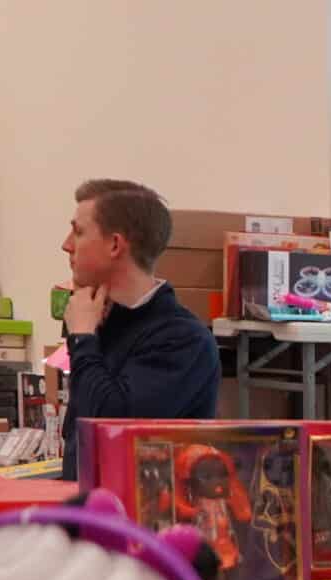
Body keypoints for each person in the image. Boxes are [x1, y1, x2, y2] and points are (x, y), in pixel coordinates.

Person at [58, 178, 220, 483]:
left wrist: (83, 339)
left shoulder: (182, 340)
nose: (66, 244)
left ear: (115, 245)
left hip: (143, 526)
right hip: (89, 515)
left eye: (78, 232)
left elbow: (110, 428)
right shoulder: (97, 321)